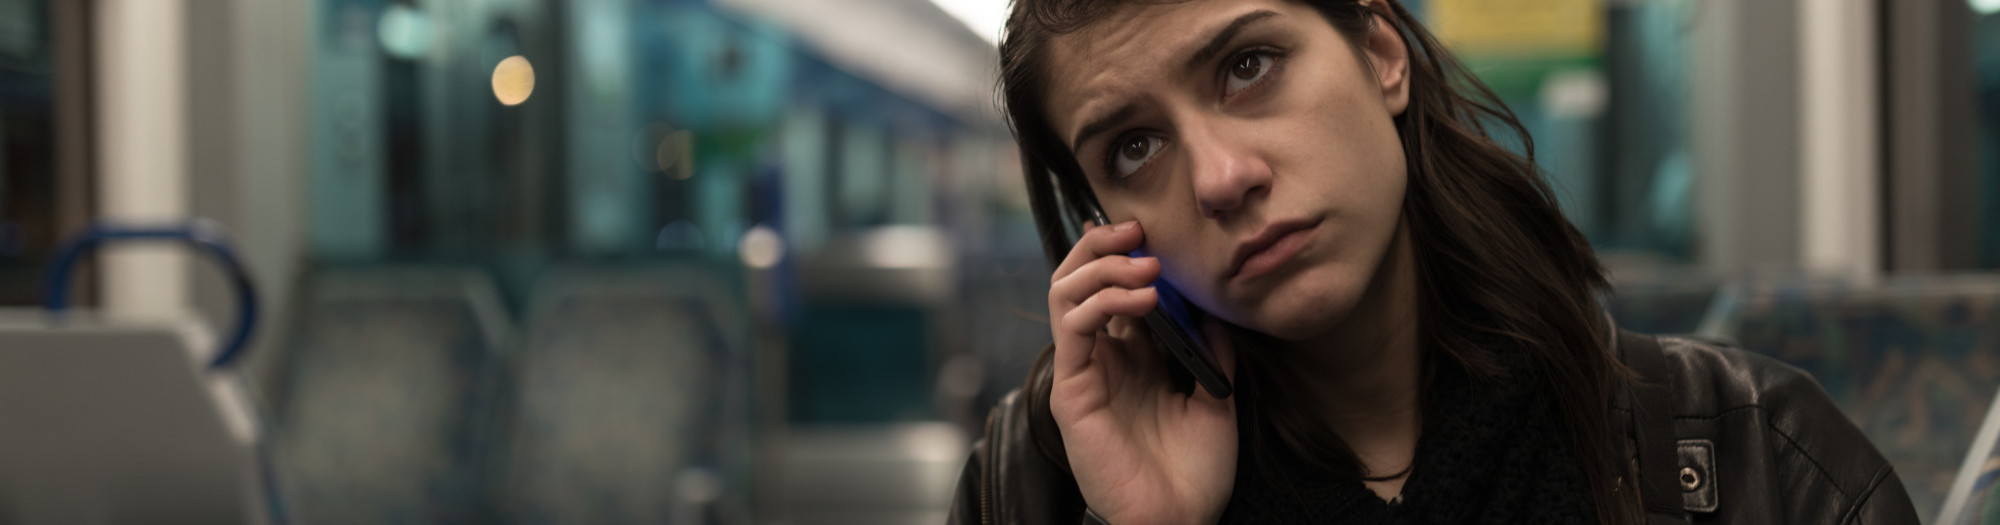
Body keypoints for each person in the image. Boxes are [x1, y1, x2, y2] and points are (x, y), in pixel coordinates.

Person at [947, 0, 1920, 523]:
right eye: (1132, 148)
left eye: (1246, 65)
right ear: (1102, 224)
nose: (1220, 178)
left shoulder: (1753, 453)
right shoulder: (1036, 485)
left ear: (1379, 53)